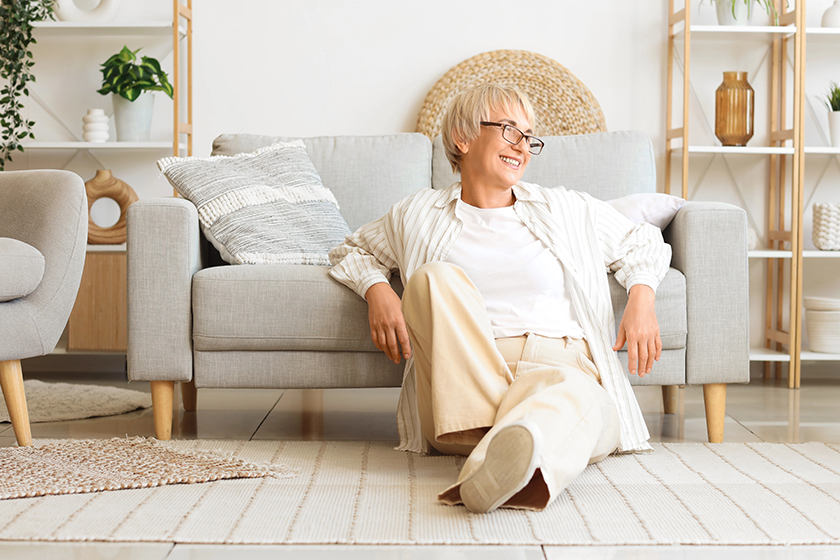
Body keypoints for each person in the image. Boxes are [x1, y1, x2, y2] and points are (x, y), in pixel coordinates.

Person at [329, 83, 671, 513]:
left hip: (560, 370)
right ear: (463, 137)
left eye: (529, 137)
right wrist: (377, 290)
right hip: (461, 394)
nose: (522, 147)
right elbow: (351, 250)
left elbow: (643, 241)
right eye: (510, 130)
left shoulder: (565, 209)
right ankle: (503, 445)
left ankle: (498, 463)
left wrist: (641, 298)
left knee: (576, 393)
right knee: (434, 278)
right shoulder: (416, 213)